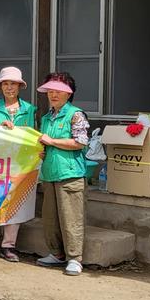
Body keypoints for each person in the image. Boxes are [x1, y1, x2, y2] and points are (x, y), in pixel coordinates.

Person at [0, 66, 37, 262]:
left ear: (20, 86)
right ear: (0, 87)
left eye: (13, 84)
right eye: (6, 84)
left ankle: (8, 245)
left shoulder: (30, 110)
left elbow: (34, 136)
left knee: (15, 203)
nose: (9, 87)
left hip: (20, 164)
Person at [35, 71, 89, 276]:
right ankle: (56, 254)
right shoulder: (47, 117)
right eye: (50, 90)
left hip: (70, 174)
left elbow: (81, 142)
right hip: (50, 173)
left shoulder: (76, 114)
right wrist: (44, 151)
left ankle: (75, 258)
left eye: (59, 91)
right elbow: (46, 142)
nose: (53, 94)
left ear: (69, 94)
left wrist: (52, 142)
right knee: (50, 217)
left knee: (71, 218)